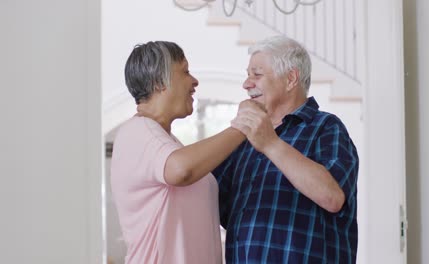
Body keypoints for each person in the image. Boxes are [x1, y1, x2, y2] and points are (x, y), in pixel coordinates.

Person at [110, 41, 261, 264]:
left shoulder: (166, 141)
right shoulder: (139, 132)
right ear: (159, 81)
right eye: (185, 71)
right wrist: (244, 125)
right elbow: (182, 170)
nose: (194, 81)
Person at [213, 35, 359, 263]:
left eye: (257, 74)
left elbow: (332, 197)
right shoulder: (243, 139)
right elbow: (209, 200)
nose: (246, 84)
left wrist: (270, 144)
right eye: (247, 75)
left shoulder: (326, 127)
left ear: (291, 79)